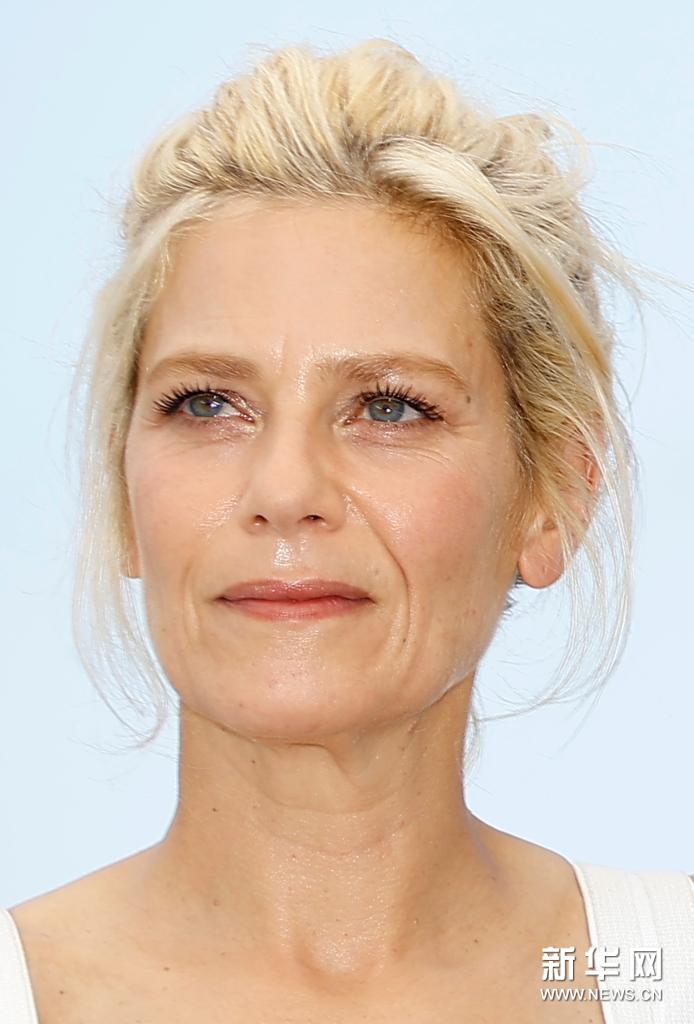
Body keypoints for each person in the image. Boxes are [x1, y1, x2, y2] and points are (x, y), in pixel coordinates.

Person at [2, 38, 692, 1023]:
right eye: (207, 404)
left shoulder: (668, 973)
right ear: (123, 492)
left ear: (553, 501)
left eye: (390, 406)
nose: (284, 489)